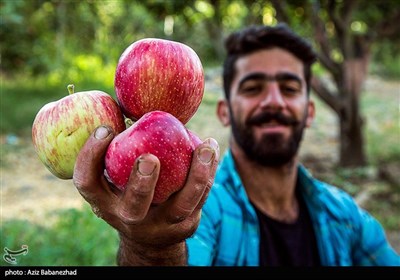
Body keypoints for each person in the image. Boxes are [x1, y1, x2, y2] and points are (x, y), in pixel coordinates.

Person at [73, 23, 400, 266]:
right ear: (224, 111)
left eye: (288, 88)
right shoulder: (199, 210)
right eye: (253, 88)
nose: (273, 101)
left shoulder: (344, 215)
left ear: (309, 112)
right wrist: (152, 249)